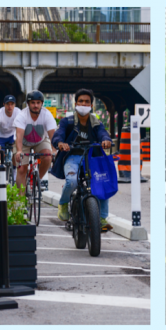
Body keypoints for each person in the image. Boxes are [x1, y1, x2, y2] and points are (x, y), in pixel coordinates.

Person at [51, 89, 113, 230]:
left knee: (102, 183)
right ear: (76, 103)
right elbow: (58, 134)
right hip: (72, 157)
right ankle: (64, 203)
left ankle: (102, 218)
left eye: (87, 102)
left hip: (92, 159)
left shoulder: (96, 122)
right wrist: (60, 143)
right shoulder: (68, 121)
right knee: (71, 181)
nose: (84, 104)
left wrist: (106, 140)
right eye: (81, 101)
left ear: (91, 105)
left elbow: (103, 133)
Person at [12, 91, 57, 190]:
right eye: (33, 103)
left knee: (48, 156)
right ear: (28, 104)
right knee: (22, 169)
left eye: (38, 103)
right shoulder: (22, 116)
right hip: (23, 143)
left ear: (42, 103)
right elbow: (19, 136)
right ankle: (21, 200)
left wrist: (54, 150)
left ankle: (37, 179)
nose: (35, 105)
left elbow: (52, 135)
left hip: (40, 140)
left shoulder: (47, 115)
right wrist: (19, 151)